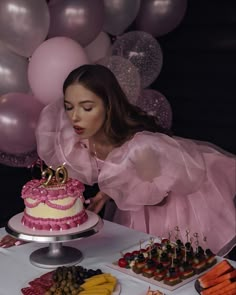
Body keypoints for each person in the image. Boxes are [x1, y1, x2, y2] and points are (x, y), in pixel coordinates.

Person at [3, 64, 236, 255]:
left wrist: (111, 190)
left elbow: (154, 198)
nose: (75, 117)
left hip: (169, 202)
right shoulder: (78, 140)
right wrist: (103, 195)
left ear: (108, 106)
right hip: (136, 197)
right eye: (69, 107)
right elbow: (113, 176)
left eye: (87, 107)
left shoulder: (141, 149)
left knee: (169, 265)